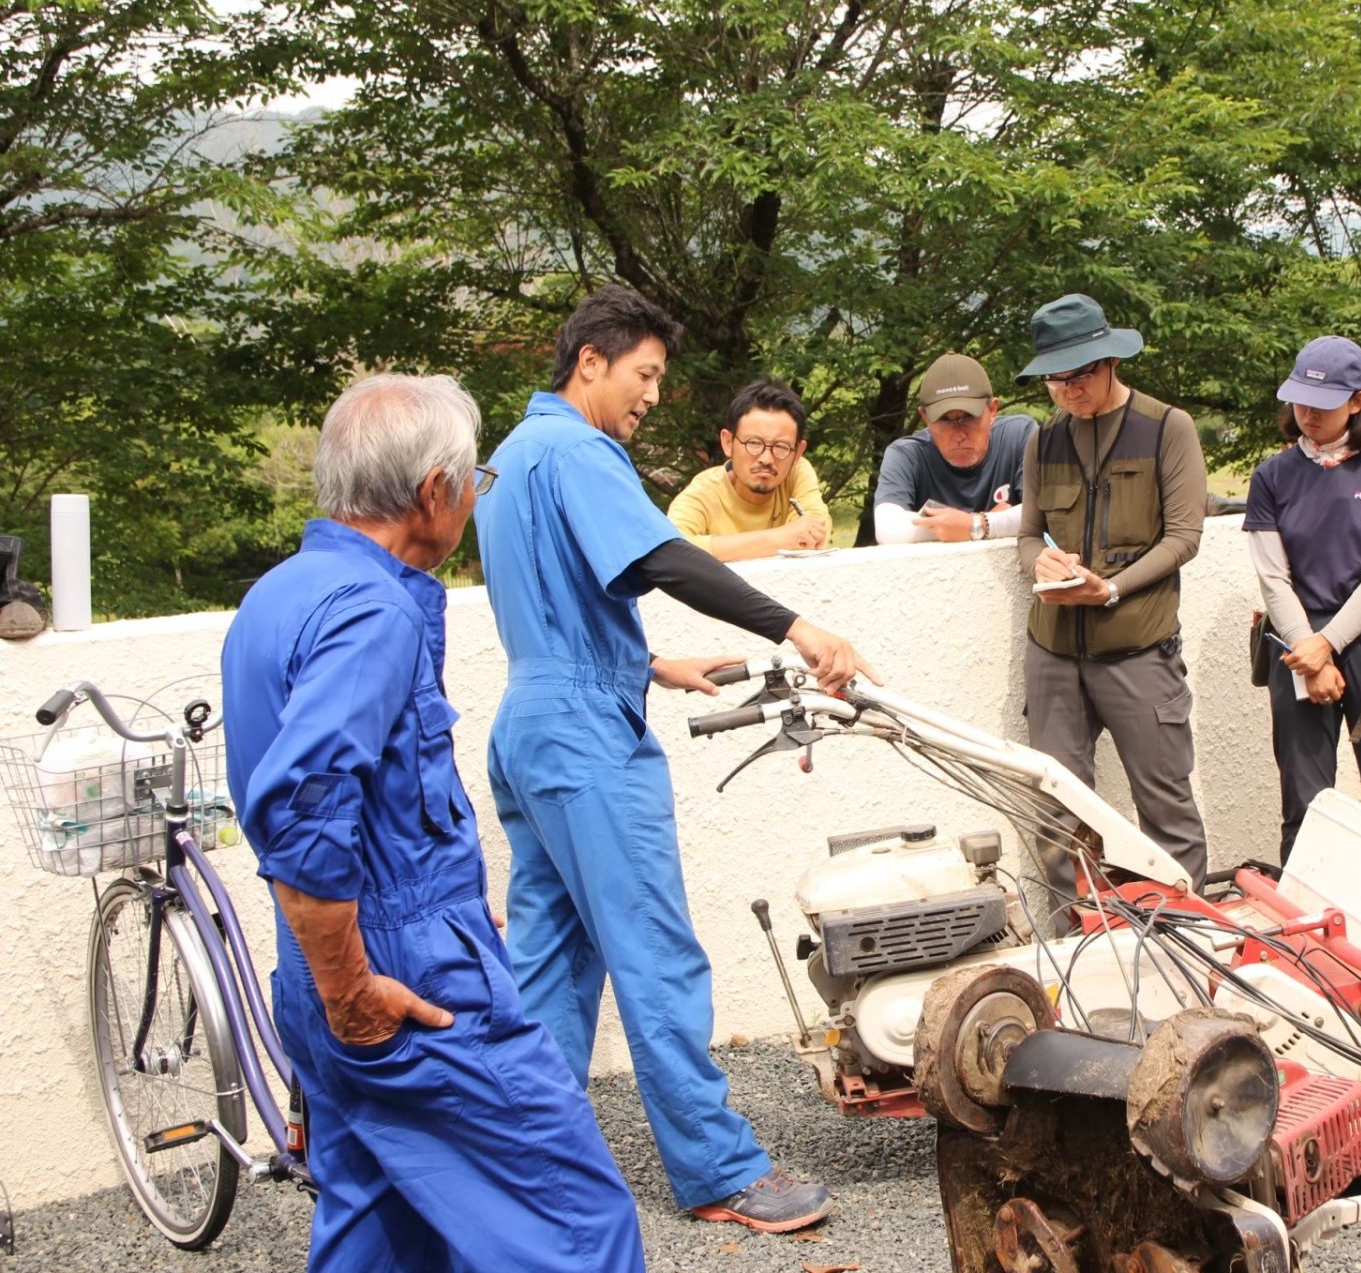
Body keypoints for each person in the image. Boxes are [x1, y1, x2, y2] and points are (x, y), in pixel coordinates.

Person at [221, 374, 648, 1273]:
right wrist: (358, 986)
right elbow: (303, 804)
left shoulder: (280, 593)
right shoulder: (372, 611)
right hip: (396, 979)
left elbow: (363, 804)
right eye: (472, 481)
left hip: (328, 958)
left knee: (381, 1229)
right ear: (434, 492)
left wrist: (442, 899)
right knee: (577, 1222)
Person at [475, 286, 876, 1232]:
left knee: (549, 961)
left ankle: (530, 1165)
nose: (652, 395)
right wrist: (796, 624)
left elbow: (553, 598)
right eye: (645, 375)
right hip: (584, 739)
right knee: (654, 953)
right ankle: (720, 1171)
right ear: (590, 363)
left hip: (530, 723)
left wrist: (652, 662)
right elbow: (664, 556)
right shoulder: (578, 449)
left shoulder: (508, 459)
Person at [1015, 293, 1210, 911]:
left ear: (1109, 362)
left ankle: (1186, 947)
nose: (1068, 390)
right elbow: (1026, 534)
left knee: (1166, 808)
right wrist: (1038, 563)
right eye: (1055, 378)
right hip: (1053, 652)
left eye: (1080, 375)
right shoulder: (1043, 441)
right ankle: (1081, 951)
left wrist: (1113, 587)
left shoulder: (1166, 427)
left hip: (1139, 650)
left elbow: (1185, 537)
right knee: (1058, 812)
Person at [1246, 336, 1361, 858]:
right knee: (1305, 795)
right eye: (1299, 400)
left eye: (1323, 405)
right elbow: (1273, 578)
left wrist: (1328, 644)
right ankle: (1306, 926)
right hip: (1296, 637)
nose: (1308, 414)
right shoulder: (1273, 475)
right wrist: (1310, 650)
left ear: (1357, 402)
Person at [873, 353, 1037, 544]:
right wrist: (980, 524)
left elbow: (1045, 512)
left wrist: (972, 525)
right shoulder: (906, 455)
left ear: (992, 410)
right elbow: (888, 529)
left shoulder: (1019, 435)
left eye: (968, 417)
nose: (959, 434)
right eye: (944, 419)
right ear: (925, 417)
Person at [667, 378, 831, 560]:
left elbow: (815, 532)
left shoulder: (796, 473)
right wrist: (781, 538)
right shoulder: (703, 494)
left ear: (797, 452)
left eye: (781, 447)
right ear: (728, 443)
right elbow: (672, 551)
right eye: (753, 443)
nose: (767, 459)